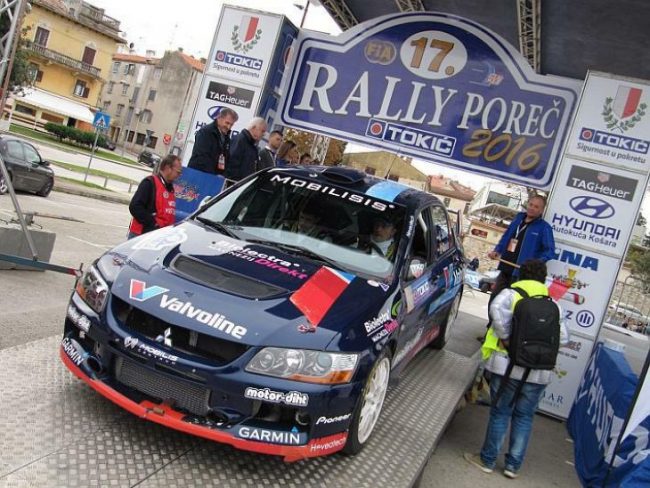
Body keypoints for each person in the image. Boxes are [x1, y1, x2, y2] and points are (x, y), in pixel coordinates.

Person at [464, 259, 569, 479]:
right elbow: (564, 338)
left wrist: (508, 339)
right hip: (539, 372)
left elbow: (495, 311)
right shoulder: (554, 305)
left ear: (522, 275)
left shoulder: (510, 295)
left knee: (501, 412)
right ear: (543, 279)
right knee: (524, 417)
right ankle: (512, 466)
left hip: (508, 367)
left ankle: (487, 460)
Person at [484, 195, 555, 329]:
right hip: (505, 268)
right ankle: (491, 330)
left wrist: (533, 264)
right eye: (531, 204)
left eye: (536, 207)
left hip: (521, 275)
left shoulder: (544, 228)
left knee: (512, 307)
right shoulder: (518, 218)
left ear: (541, 210)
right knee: (495, 302)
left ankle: (508, 335)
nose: (532, 208)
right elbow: (507, 237)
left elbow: (549, 252)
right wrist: (497, 250)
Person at [128, 154, 183, 239]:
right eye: (178, 172)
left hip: (158, 236)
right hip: (142, 235)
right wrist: (154, 224)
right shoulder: (149, 183)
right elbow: (134, 207)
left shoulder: (170, 188)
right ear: (168, 168)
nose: (179, 175)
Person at [188, 107, 238, 176]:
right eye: (227, 123)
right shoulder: (205, 132)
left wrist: (223, 175)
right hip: (197, 174)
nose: (229, 127)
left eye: (231, 125)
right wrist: (213, 175)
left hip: (213, 177)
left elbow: (226, 160)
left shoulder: (226, 138)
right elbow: (201, 157)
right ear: (219, 118)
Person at [227, 117, 267, 181]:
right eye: (262, 131)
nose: (264, 134)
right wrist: (237, 182)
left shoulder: (252, 145)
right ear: (253, 128)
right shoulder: (240, 140)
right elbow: (231, 164)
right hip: (236, 183)